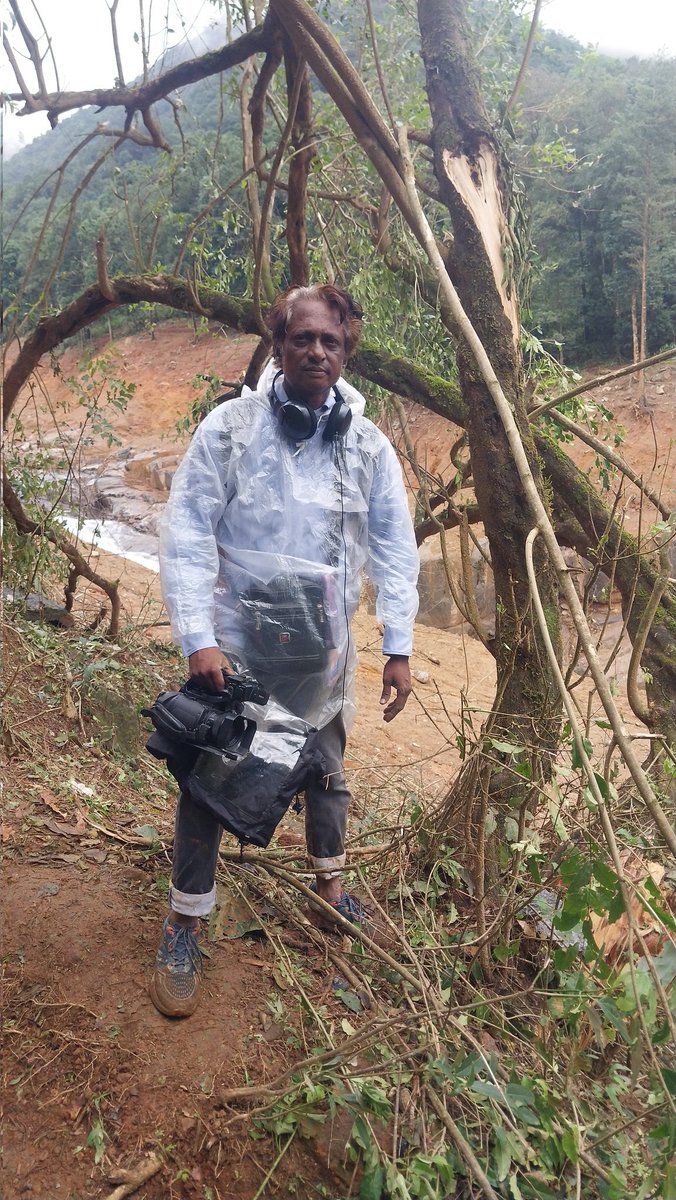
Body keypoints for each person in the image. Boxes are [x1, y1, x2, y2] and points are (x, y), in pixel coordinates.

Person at [150, 283, 419, 1017]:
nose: (317, 352)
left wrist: (399, 642)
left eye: (331, 341)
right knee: (209, 781)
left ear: (347, 351)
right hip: (237, 650)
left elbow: (395, 547)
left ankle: (329, 887)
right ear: (277, 345)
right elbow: (188, 530)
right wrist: (199, 638)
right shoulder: (231, 429)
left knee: (327, 777)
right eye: (302, 338)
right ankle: (185, 920)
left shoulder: (367, 444)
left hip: (325, 653)